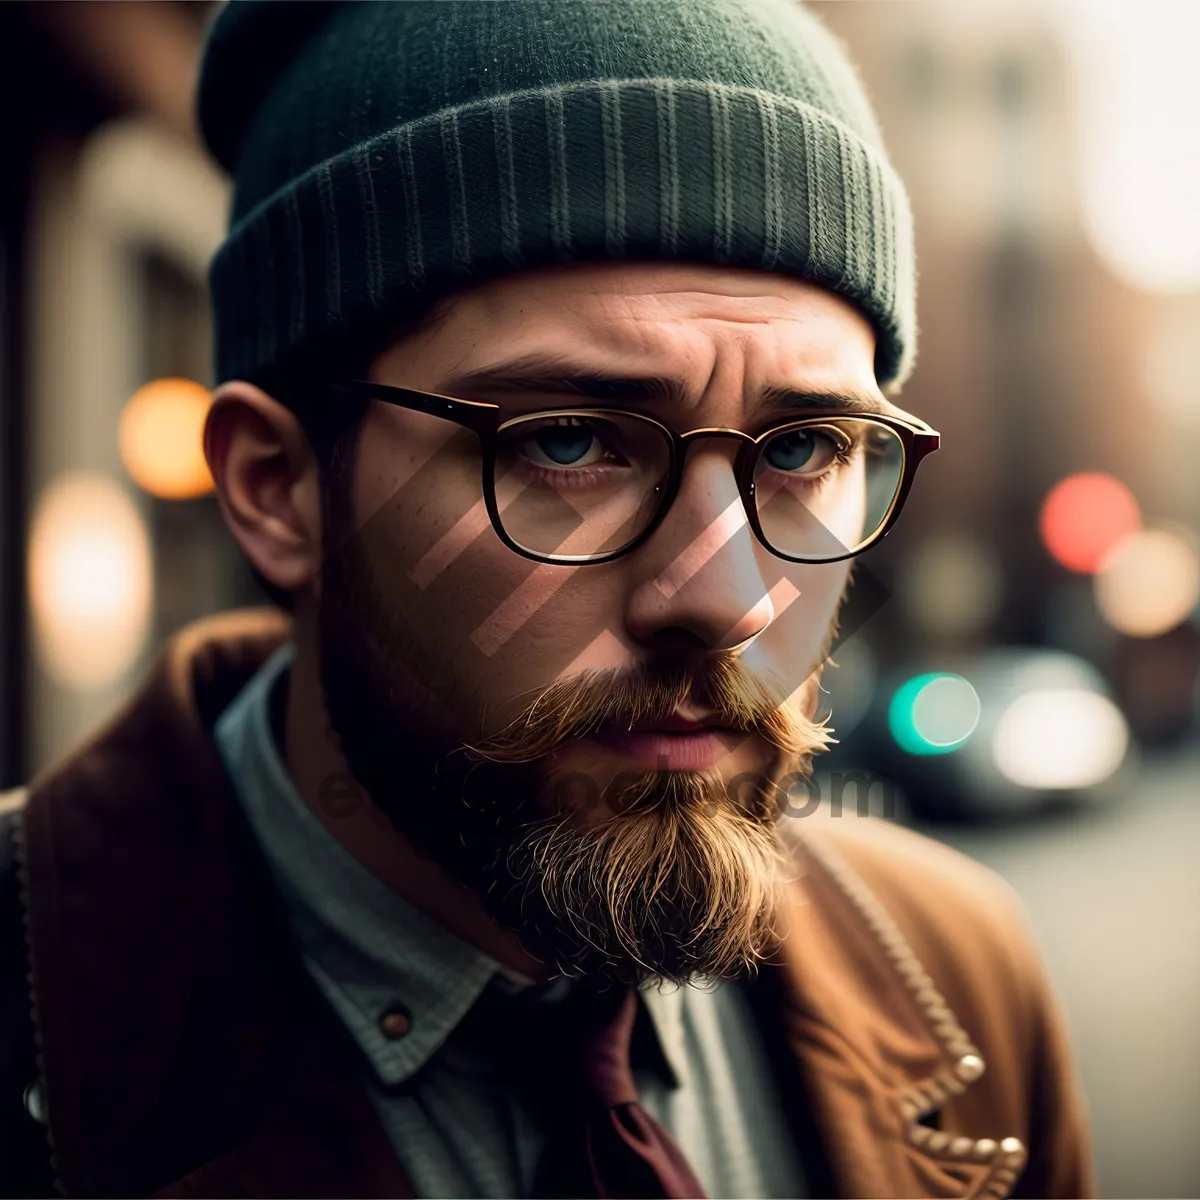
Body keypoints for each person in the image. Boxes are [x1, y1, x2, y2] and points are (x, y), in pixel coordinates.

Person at [0, 2, 1095, 1197]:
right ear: (281, 489)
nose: (724, 599)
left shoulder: (958, 974)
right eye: (570, 443)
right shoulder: (32, 1024)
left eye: (803, 450)